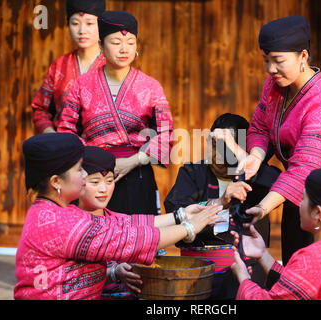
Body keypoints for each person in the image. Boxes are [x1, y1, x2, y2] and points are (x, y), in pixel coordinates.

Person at [14, 133, 222, 300]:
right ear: (56, 182)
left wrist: (182, 215)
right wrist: (189, 227)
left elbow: (123, 223)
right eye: (79, 170)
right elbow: (128, 240)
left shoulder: (55, 212)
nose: (85, 176)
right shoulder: (58, 221)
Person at [236, 15, 321, 271]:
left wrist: (262, 208)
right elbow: (260, 125)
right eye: (266, 60)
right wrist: (255, 154)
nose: (270, 69)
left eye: (278, 61)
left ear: (303, 57)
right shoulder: (275, 85)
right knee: (293, 267)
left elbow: (303, 170)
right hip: (296, 194)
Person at [57, 10, 173, 216]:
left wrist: (135, 160)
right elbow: (66, 132)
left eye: (130, 42)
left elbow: (166, 135)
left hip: (136, 174)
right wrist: (96, 161)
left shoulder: (151, 87)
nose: (123, 49)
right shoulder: (82, 85)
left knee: (139, 238)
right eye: (116, 42)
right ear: (101, 46)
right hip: (90, 177)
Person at [164, 113, 280, 299]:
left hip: (245, 276)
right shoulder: (192, 172)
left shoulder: (257, 180)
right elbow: (175, 215)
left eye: (226, 148)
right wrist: (218, 204)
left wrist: (247, 161)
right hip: (197, 276)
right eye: (213, 144)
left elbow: (282, 183)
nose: (216, 154)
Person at [232, 168, 321, 300]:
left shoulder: (310, 258)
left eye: (303, 199)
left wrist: (244, 278)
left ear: (317, 213)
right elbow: (298, 287)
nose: (300, 205)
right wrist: (263, 254)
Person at [31, 0, 106, 134]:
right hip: (62, 146)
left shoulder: (112, 65)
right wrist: (52, 136)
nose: (82, 30)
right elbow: (40, 109)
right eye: (75, 23)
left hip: (102, 148)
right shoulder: (59, 66)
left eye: (89, 23)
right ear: (68, 25)